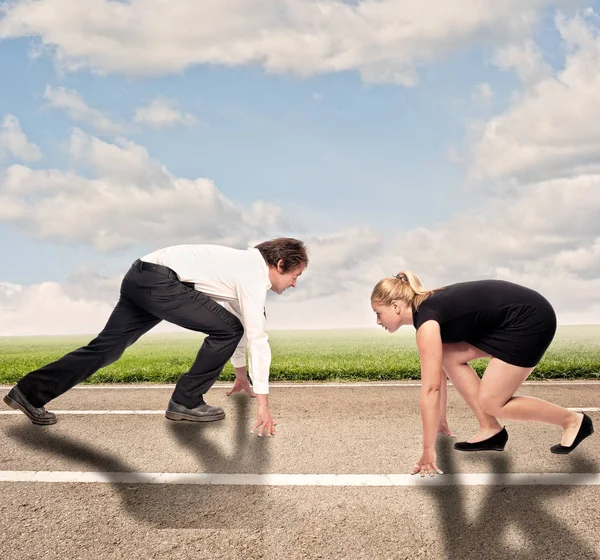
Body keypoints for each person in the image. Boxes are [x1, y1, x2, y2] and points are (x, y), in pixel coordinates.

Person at [3, 237, 308, 437]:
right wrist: (263, 405)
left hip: (141, 275)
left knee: (106, 349)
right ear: (280, 264)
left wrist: (241, 375)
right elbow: (254, 337)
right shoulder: (252, 275)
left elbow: (241, 320)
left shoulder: (240, 267)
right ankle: (185, 401)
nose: (294, 284)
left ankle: (28, 392)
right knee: (226, 328)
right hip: (161, 282)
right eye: (295, 276)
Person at [370, 272, 594, 478]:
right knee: (449, 354)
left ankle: (573, 421)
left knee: (493, 402)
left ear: (396, 306)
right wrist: (440, 420)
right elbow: (437, 372)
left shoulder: (427, 321)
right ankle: (490, 430)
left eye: (378, 314)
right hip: (509, 320)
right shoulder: (427, 311)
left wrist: (428, 452)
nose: (378, 321)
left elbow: (430, 390)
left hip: (529, 320)